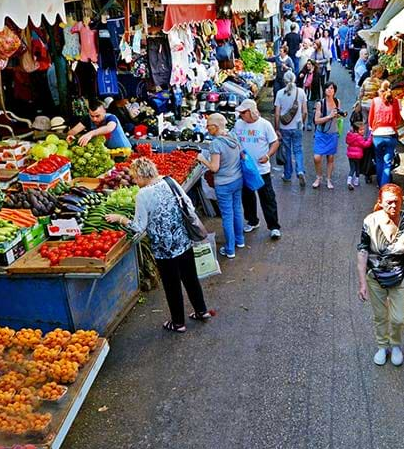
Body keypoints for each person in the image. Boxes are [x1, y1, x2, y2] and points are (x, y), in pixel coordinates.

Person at [105, 158, 210, 333]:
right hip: (183, 241)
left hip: (163, 250)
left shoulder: (143, 194)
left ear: (140, 175)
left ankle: (178, 323)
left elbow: (138, 227)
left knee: (172, 285)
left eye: (135, 178)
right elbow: (188, 205)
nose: (135, 182)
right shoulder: (170, 181)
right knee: (191, 278)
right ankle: (201, 311)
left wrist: (121, 219)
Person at [357, 184, 404, 366]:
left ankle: (396, 344)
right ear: (380, 202)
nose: (393, 206)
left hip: (401, 274)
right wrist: (362, 283)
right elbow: (362, 251)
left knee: (399, 317)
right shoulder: (370, 221)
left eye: (396, 202)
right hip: (375, 276)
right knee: (380, 315)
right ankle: (382, 346)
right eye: (388, 203)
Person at [234, 99, 282, 239]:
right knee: (247, 197)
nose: (241, 115)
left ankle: (273, 226)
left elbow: (275, 142)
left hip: (261, 169)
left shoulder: (264, 125)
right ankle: (252, 220)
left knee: (267, 197)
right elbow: (235, 141)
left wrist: (267, 155)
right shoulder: (238, 124)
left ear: (251, 112)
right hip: (245, 168)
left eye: (243, 112)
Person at [199, 114, 244, 259]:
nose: (207, 128)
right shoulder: (233, 136)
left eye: (208, 126)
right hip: (237, 179)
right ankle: (240, 240)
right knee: (237, 209)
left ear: (216, 127)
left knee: (227, 216)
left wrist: (202, 159)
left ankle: (230, 249)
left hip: (224, 184)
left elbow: (214, 168)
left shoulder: (216, 144)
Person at [274, 70, 307, 186]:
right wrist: (301, 123)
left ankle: (287, 174)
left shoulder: (279, 93)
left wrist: (277, 128)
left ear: (284, 81)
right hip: (297, 125)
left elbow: (277, 113)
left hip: (284, 127)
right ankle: (300, 171)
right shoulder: (301, 92)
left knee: (287, 151)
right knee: (298, 149)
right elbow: (305, 112)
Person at [368, 80, 401, 187]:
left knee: (379, 160)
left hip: (377, 135)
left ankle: (379, 183)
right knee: (387, 162)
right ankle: (384, 186)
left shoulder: (375, 101)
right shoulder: (395, 101)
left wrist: (371, 128)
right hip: (390, 135)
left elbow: (370, 118)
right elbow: (398, 119)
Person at [312, 81, 344, 190]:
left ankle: (328, 179)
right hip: (321, 133)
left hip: (332, 133)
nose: (329, 90)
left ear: (334, 91)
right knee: (317, 157)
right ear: (324, 90)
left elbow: (338, 116)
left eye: (332, 88)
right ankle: (318, 177)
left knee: (330, 157)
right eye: (327, 88)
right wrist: (329, 116)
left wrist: (339, 116)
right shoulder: (320, 103)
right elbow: (316, 121)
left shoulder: (337, 101)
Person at [67, 99, 132, 149]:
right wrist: (70, 135)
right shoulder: (87, 119)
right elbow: (73, 131)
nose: (94, 119)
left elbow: (109, 128)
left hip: (124, 151)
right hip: (109, 154)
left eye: (97, 116)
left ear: (104, 112)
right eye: (92, 116)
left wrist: (91, 133)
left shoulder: (111, 117)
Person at [345, 118, 373, 190]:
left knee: (352, 168)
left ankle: (349, 180)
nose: (363, 131)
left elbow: (347, 142)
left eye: (363, 129)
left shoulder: (350, 135)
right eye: (361, 130)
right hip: (358, 156)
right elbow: (365, 144)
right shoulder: (359, 137)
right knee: (357, 168)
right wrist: (370, 137)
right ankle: (356, 181)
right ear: (356, 130)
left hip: (350, 155)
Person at [297, 59, 321, 132]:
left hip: (311, 94)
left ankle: (309, 124)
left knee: (310, 110)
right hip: (303, 93)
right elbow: (298, 80)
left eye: (310, 64)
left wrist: (318, 98)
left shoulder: (316, 74)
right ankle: (302, 123)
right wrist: (301, 76)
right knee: (302, 110)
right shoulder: (304, 72)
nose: (308, 65)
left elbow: (317, 85)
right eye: (307, 64)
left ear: (313, 66)